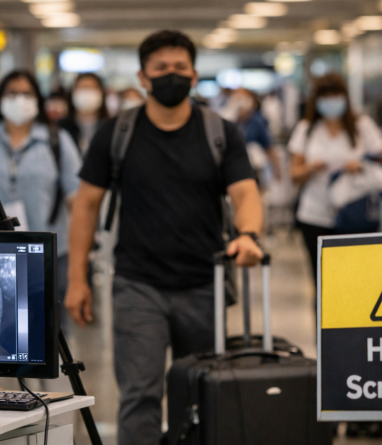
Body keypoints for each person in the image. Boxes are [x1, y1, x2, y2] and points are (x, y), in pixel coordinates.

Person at [64, 30, 264, 445]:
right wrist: (78, 279)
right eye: (161, 69)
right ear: (143, 76)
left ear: (193, 75)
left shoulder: (220, 132)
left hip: (203, 284)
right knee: (140, 395)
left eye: (179, 68)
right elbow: (85, 205)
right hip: (138, 285)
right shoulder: (115, 133)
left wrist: (248, 235)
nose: (170, 76)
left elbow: (245, 192)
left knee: (201, 395)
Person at [0, 70, 80, 315]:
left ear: (38, 98)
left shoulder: (58, 140)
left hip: (48, 253)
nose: (19, 100)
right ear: (0, 98)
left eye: (26, 93)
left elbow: (76, 199)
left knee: (50, 326)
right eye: (12, 93)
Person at [288, 73, 382, 283]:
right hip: (315, 214)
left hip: (355, 215)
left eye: (336, 95)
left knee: (355, 282)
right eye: (326, 96)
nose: (331, 101)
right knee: (322, 282)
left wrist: (361, 165)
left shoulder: (362, 125)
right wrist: (310, 168)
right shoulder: (307, 129)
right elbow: (294, 174)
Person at [226, 88, 281, 184]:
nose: (240, 100)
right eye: (237, 97)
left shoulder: (257, 120)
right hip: (235, 168)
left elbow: (268, 146)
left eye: (243, 97)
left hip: (255, 168)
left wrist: (276, 169)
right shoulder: (231, 121)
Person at [58, 73, 110, 154]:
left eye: (91, 88)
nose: (86, 93)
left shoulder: (110, 127)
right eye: (82, 88)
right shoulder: (61, 127)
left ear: (101, 93)